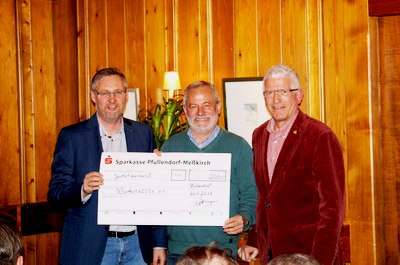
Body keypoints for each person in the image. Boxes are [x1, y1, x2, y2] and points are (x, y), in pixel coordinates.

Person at [48, 68, 167, 265]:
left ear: (125, 96)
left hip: (138, 245)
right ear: (94, 97)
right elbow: (55, 193)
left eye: (118, 92)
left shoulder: (143, 133)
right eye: (105, 93)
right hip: (91, 247)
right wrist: (82, 189)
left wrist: (159, 243)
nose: (112, 99)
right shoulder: (72, 137)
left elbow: (156, 195)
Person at [238, 64, 345, 265]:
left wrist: (318, 261)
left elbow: (332, 208)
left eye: (283, 92)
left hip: (307, 255)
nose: (276, 99)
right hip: (271, 254)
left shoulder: (320, 136)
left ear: (299, 96)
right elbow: (264, 197)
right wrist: (254, 240)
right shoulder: (259, 135)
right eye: (269, 92)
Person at [161, 80, 257, 264]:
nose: (200, 113)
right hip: (179, 251)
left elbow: (250, 194)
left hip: (222, 251)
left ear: (218, 107)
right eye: (193, 106)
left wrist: (244, 218)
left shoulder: (238, 146)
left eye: (206, 105)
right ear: (185, 110)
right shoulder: (170, 147)